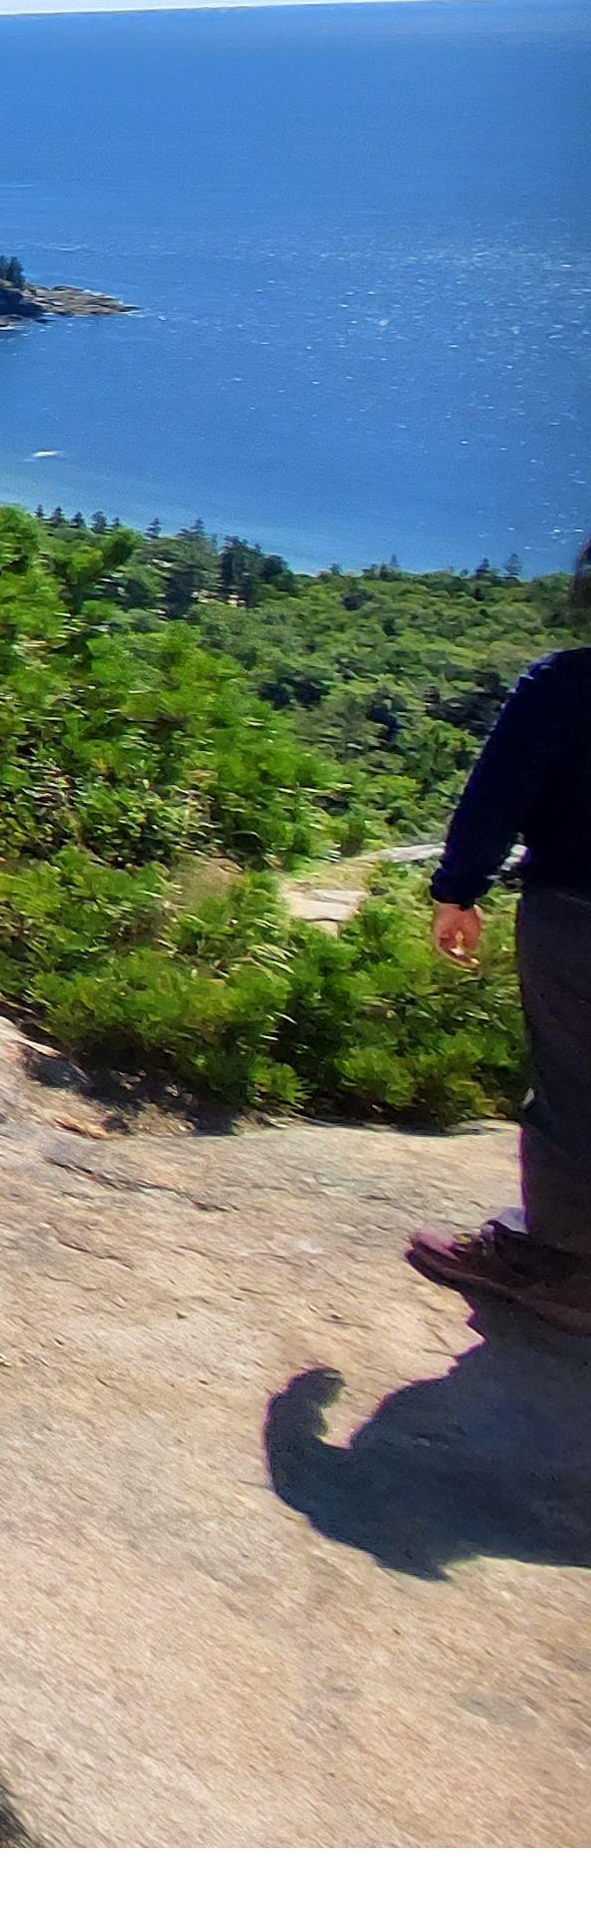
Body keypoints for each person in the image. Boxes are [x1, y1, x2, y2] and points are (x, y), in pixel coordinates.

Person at [407, 546, 591, 1339]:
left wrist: (458, 888)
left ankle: (563, 1265)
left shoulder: (566, 686)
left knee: (574, 1087)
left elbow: (498, 797)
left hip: (578, 912)